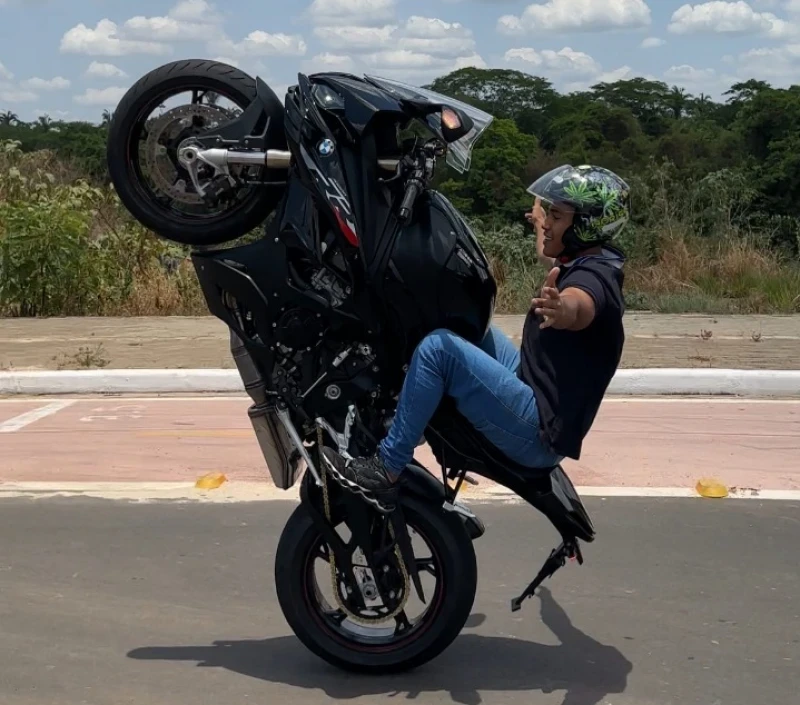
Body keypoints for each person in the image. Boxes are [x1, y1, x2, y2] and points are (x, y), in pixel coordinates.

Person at [322, 164, 630, 511]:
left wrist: (564, 311)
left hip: (538, 430)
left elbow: (582, 303)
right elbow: (548, 255)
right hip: (533, 385)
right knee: (469, 326)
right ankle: (411, 408)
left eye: (557, 217)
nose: (546, 223)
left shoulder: (594, 279)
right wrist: (543, 216)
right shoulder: (595, 256)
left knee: (440, 349)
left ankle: (386, 468)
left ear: (585, 226)